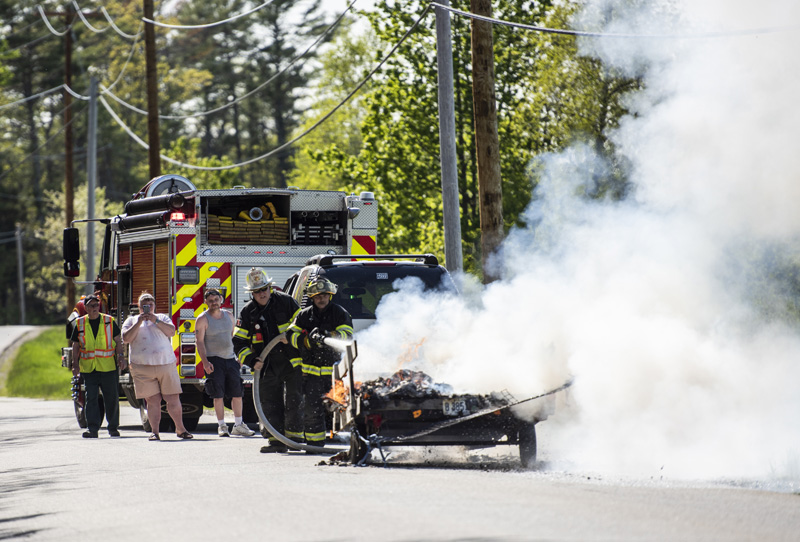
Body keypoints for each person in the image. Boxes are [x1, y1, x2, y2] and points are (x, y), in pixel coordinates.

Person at [233, 268, 303, 453]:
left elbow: (304, 325)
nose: (262, 293)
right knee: (269, 402)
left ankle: (294, 438)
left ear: (270, 287)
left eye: (264, 288)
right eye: (257, 291)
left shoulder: (286, 302)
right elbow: (238, 342)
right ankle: (276, 441)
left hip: (291, 361)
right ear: (252, 293)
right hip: (265, 364)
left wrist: (292, 336)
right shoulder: (248, 312)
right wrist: (251, 360)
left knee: (295, 398)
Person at [287, 277, 353, 449]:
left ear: (330, 295)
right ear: (312, 297)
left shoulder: (339, 313)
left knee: (342, 408)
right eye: (317, 296)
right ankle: (315, 444)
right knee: (312, 409)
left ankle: (349, 442)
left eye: (324, 295)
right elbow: (290, 335)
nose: (321, 299)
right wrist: (306, 341)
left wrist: (329, 335)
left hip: (336, 374)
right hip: (312, 374)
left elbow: (347, 335)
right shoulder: (304, 315)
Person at [121, 292, 193, 441]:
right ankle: (155, 432)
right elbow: (126, 339)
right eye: (144, 305)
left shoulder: (162, 318)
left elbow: (172, 332)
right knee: (152, 401)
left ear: (154, 306)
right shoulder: (131, 320)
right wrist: (139, 322)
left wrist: (155, 320)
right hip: (142, 367)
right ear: (139, 307)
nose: (148, 308)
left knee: (173, 398)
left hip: (165, 364)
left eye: (150, 305)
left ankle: (181, 429)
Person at [196, 288, 255, 437]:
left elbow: (235, 338)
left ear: (221, 299)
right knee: (218, 395)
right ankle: (222, 426)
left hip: (231, 360)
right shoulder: (202, 319)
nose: (213, 303)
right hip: (214, 361)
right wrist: (205, 362)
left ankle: (238, 425)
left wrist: (239, 358)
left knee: (237, 393)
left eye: (216, 300)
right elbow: (200, 342)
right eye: (210, 301)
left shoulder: (229, 316)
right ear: (205, 302)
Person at [69, 294, 125, 438]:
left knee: (111, 398)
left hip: (108, 367)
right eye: (91, 305)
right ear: (86, 308)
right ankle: (92, 429)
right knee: (91, 398)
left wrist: (121, 357)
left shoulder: (109, 321)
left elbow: (118, 341)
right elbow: (75, 345)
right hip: (89, 368)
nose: (94, 308)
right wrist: (75, 364)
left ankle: (113, 428)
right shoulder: (80, 323)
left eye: (96, 305)